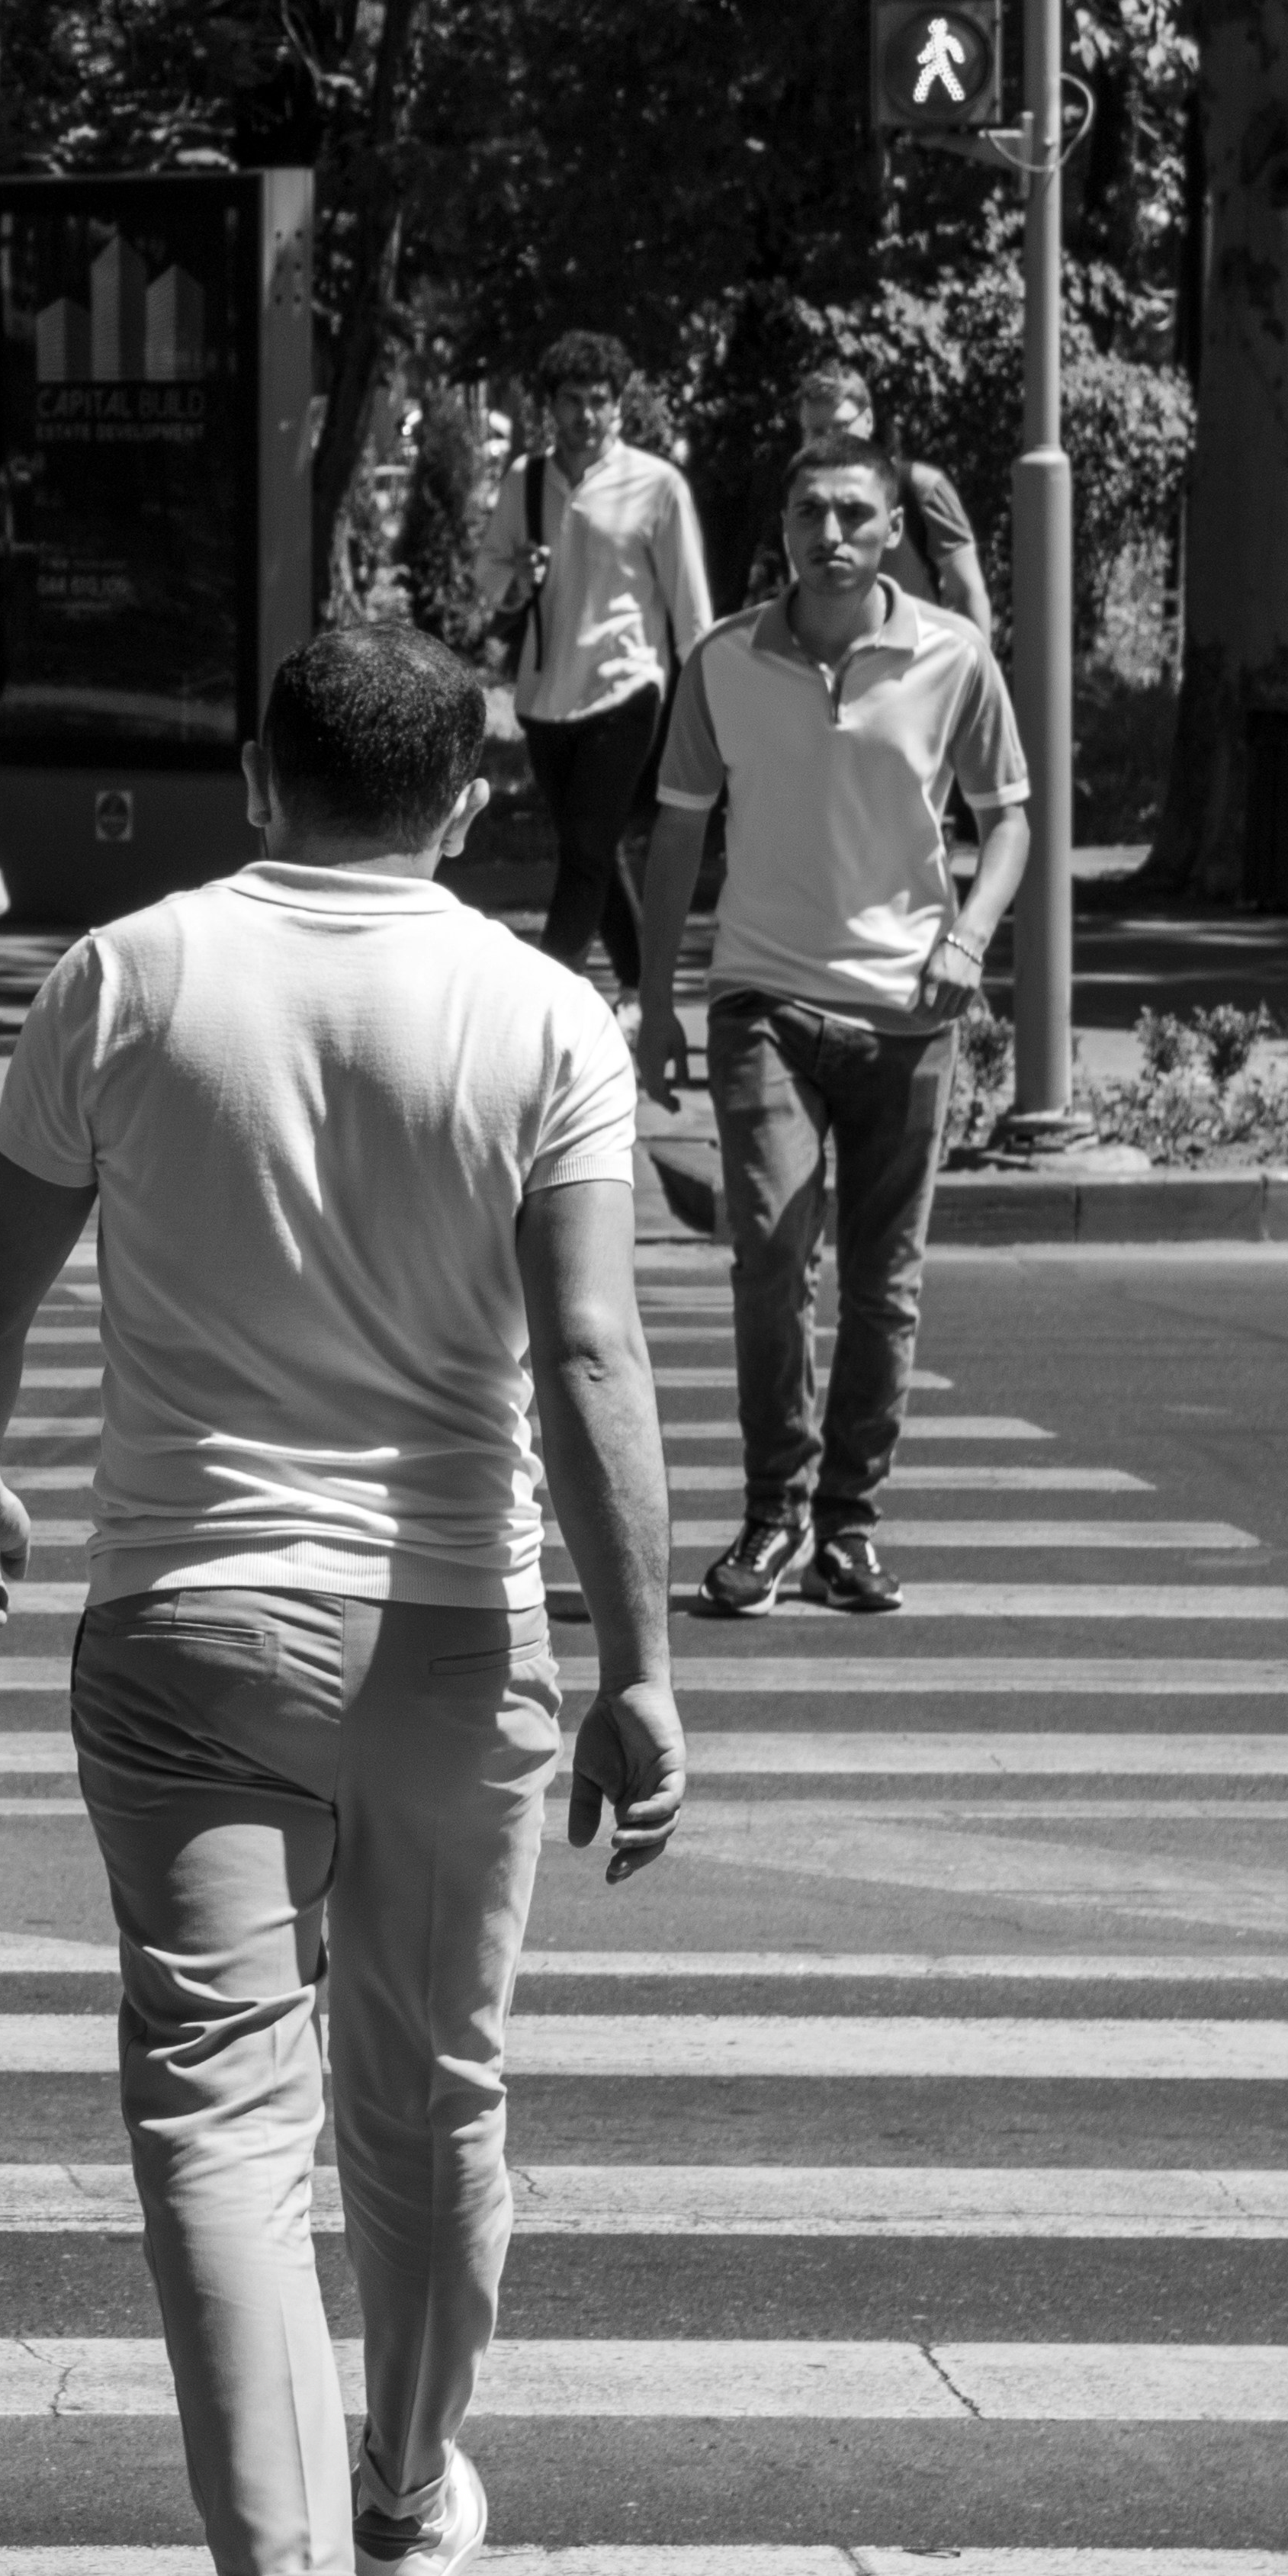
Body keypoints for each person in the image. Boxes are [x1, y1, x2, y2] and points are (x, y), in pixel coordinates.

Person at [0, 622, 685, 2576]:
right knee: (433, 2083)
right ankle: (408, 2490)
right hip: (458, 1628)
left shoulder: (129, 977)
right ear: (470, 802)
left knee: (219, 2114)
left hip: (187, 1626)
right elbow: (596, 1362)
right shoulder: (548, 1016)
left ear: (259, 780)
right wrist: (641, 1671)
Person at [635, 439, 1030, 1621]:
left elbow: (1009, 820)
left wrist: (969, 939)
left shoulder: (953, 659)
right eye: (810, 509)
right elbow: (671, 840)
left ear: (895, 529)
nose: (831, 533)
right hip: (764, 998)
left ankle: (848, 1528)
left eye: (856, 513)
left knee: (882, 1284)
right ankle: (771, 1511)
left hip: (910, 1009)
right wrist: (658, 1004)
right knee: (768, 1249)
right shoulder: (725, 661)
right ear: (786, 525)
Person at [480, 329, 713, 988]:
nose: (586, 415)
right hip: (544, 695)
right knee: (593, 850)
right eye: (572, 400)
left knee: (583, 855)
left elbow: (691, 605)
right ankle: (645, 990)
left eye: (600, 401)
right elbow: (489, 570)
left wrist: (708, 703)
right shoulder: (525, 480)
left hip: (627, 688)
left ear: (619, 406)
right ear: (548, 406)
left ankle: (547, 999)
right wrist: (518, 577)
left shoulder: (657, 485)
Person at [779, 361, 994, 640]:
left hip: (913, 667)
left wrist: (975, 674)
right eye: (817, 432)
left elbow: (968, 595)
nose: (829, 441)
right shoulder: (799, 500)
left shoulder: (922, 487)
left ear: (868, 420)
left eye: (841, 426)